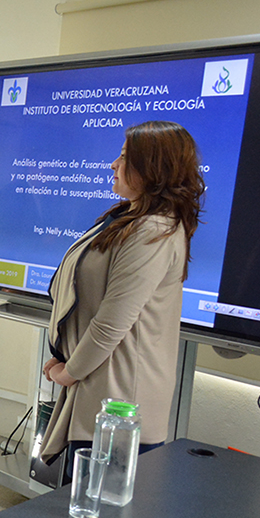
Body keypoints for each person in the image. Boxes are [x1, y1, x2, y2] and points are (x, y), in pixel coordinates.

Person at [39, 121, 205, 475]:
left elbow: (112, 321)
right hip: (97, 387)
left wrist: (70, 371)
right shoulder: (128, 217)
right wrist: (66, 357)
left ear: (153, 168)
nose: (113, 164)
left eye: (125, 157)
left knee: (99, 505)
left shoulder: (153, 230)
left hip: (118, 405)